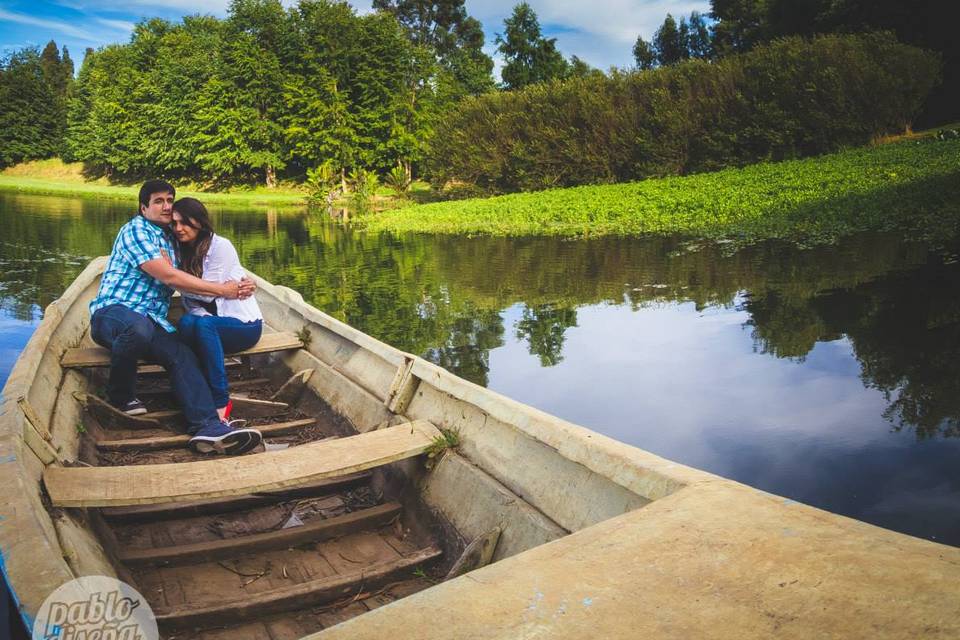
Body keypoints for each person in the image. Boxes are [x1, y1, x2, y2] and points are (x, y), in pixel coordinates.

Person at [88, 180, 263, 455]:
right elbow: (169, 275)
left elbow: (207, 261)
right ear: (143, 207)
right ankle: (120, 395)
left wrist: (243, 281)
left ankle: (209, 427)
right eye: (159, 201)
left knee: (182, 355)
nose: (167, 206)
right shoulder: (135, 230)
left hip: (154, 320)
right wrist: (224, 291)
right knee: (139, 328)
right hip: (113, 313)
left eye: (170, 200)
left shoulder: (172, 236)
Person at [171, 197, 263, 421]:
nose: (178, 229)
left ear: (199, 222)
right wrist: (178, 280)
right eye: (174, 223)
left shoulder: (221, 246)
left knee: (203, 324)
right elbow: (200, 299)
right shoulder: (179, 250)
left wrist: (173, 281)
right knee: (186, 323)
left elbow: (209, 290)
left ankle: (221, 400)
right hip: (209, 326)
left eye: (184, 223)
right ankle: (194, 393)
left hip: (243, 326)